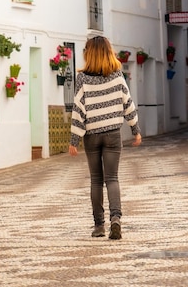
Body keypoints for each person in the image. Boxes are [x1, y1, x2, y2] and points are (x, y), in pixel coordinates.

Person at [69, 36, 142, 240]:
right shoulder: (118, 76)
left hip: (91, 136)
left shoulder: (82, 79)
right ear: (109, 51)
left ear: (88, 54)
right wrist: (135, 130)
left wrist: (74, 140)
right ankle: (116, 219)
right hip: (112, 134)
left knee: (96, 180)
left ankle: (99, 226)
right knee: (112, 178)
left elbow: (78, 110)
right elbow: (128, 103)